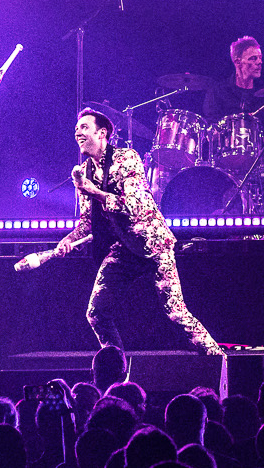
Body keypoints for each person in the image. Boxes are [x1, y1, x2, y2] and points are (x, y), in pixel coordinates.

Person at [14, 107, 223, 356]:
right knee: (96, 314)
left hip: (152, 243)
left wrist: (94, 191)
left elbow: (134, 205)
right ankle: (114, 370)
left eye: (84, 128)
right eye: (75, 129)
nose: (77, 133)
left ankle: (219, 362)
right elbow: (87, 223)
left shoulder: (127, 158)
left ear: (102, 133)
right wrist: (67, 241)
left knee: (176, 313)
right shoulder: (85, 174)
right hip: (124, 248)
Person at [203, 35, 264, 120]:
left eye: (260, 57)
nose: (260, 62)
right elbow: (211, 124)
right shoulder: (218, 91)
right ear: (237, 62)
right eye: (253, 58)